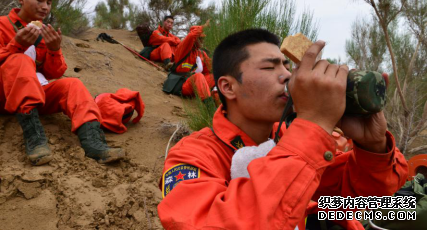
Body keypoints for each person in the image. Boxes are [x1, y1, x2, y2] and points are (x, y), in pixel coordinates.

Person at [157, 29, 408, 229]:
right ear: (228, 87)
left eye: (287, 66)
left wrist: (373, 148)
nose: (287, 76)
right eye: (270, 67)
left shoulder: (290, 138)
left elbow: (366, 201)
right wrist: (313, 124)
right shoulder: (192, 155)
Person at [0, 0, 125, 166]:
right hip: (5, 95)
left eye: (49, 2)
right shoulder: (3, 24)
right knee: (20, 60)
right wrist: (16, 45)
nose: (45, 7)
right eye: (40, 0)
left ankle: (94, 143)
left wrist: (54, 49)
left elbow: (55, 72)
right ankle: (35, 140)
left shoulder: (44, 31)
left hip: (34, 95)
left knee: (72, 84)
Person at [170, 19, 215, 102]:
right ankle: (209, 104)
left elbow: (211, 69)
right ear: (195, 39)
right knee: (199, 75)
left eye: (203, 38)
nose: (202, 41)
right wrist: (204, 27)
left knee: (216, 76)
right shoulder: (183, 49)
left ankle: (217, 99)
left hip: (197, 87)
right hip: (183, 84)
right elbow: (191, 36)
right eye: (200, 38)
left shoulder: (201, 54)